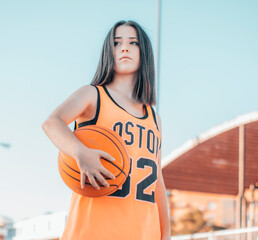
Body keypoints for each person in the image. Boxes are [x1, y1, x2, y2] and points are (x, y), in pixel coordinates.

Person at [42, 20, 171, 240]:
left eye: (133, 42)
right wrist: (80, 152)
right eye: (117, 43)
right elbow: (52, 122)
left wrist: (165, 234)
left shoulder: (154, 118)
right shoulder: (93, 95)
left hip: (143, 234)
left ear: (144, 53)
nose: (124, 48)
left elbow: (157, 180)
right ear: (108, 52)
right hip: (92, 232)